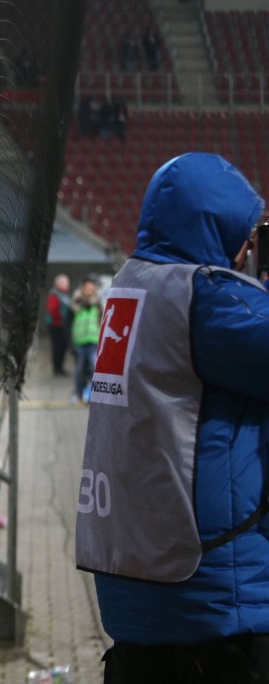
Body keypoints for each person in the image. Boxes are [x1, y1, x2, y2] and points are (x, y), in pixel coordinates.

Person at [78, 153, 269, 682]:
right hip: (212, 605)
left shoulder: (131, 285)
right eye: (246, 235)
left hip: (137, 592)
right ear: (217, 223)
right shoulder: (205, 301)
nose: (247, 251)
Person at [70, 276, 101, 403]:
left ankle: (95, 393)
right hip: (80, 342)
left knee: (94, 368)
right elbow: (68, 322)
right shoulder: (76, 303)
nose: (89, 290)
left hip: (93, 341)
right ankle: (78, 393)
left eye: (91, 288)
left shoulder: (99, 305)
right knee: (79, 370)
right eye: (86, 288)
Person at [45, 273, 72, 376]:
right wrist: (60, 320)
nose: (67, 285)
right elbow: (52, 309)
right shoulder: (54, 294)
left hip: (62, 324)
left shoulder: (65, 294)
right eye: (66, 283)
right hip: (56, 325)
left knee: (63, 346)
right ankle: (57, 369)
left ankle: (60, 368)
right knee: (57, 347)